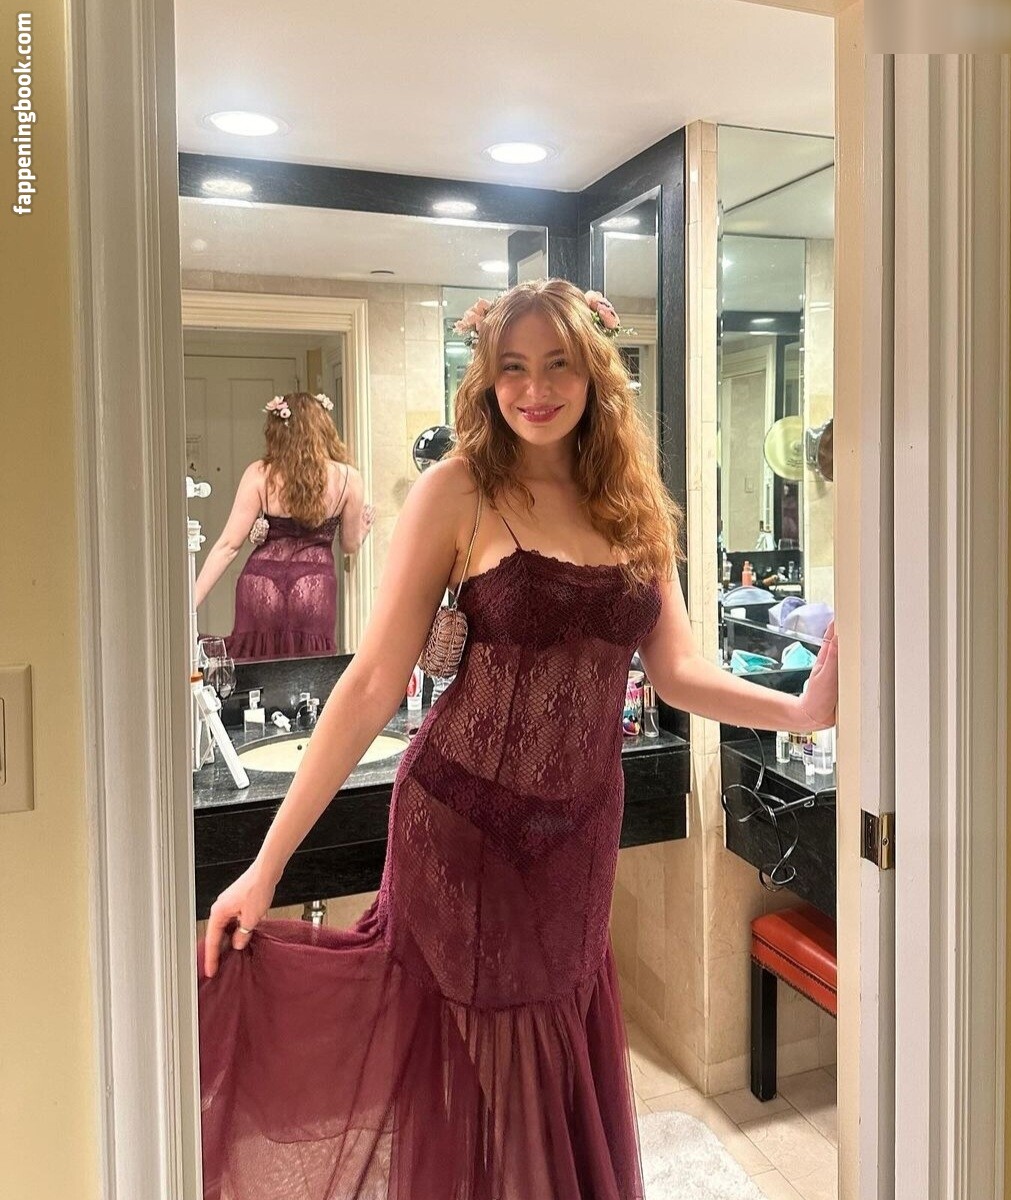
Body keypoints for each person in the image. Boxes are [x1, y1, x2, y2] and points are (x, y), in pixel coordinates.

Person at [198, 280, 837, 1200]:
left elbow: (676, 670)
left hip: (581, 840)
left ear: (595, 372)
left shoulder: (635, 504)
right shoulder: (459, 489)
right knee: (469, 1078)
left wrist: (801, 710)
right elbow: (373, 682)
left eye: (558, 364)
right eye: (513, 368)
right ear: (487, 379)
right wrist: (266, 867)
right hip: (460, 828)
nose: (535, 390)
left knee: (551, 1066)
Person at [193, 391, 374, 661]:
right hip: (314, 586)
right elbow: (349, 545)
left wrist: (190, 606)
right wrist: (362, 532)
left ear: (277, 430)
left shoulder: (260, 473)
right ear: (324, 426)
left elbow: (228, 546)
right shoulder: (349, 478)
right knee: (309, 675)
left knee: (255, 670)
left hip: (260, 583)